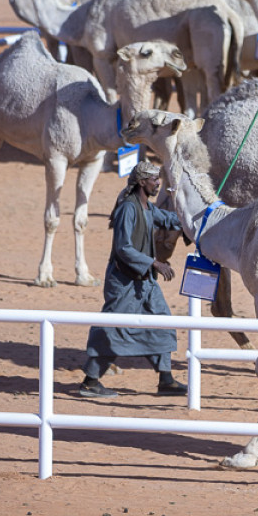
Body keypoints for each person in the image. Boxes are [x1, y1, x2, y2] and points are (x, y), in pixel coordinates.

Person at [78, 161, 188, 398]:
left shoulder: (147, 207)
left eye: (158, 179)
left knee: (162, 322)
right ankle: (90, 382)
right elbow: (123, 248)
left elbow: (168, 220)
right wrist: (154, 263)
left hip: (145, 282)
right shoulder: (128, 208)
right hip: (124, 282)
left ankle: (166, 380)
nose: (157, 183)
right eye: (154, 179)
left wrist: (193, 219)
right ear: (141, 182)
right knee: (113, 329)